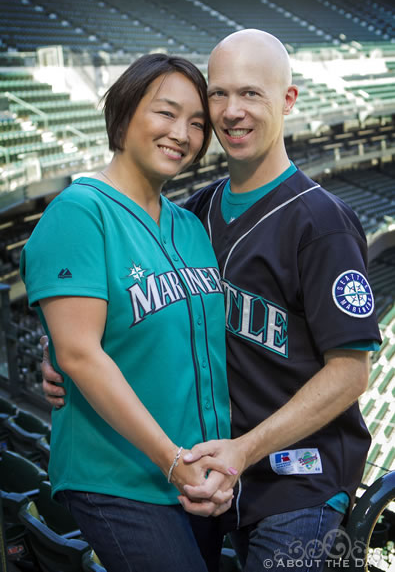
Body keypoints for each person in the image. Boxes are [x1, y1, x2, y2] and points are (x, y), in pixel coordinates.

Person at [40, 30, 382, 572]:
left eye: (251, 94)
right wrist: (58, 349)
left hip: (299, 479)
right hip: (209, 480)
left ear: (288, 100)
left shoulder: (322, 222)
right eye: (218, 95)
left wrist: (245, 449)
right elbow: (117, 309)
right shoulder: (192, 217)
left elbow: (351, 373)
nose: (230, 112)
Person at [20, 53, 235, 572]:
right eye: (166, 112)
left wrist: (205, 466)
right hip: (121, 477)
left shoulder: (188, 226)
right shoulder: (79, 212)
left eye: (197, 124)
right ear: (124, 113)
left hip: (200, 477)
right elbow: (79, 353)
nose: (181, 133)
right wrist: (173, 461)